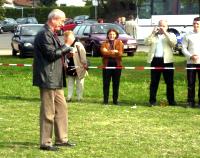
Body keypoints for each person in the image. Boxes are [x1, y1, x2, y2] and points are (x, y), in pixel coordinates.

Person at [33, 9, 76, 151]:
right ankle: (45, 142)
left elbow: (57, 55)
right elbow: (51, 55)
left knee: (61, 109)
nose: (62, 24)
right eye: (61, 21)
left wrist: (67, 51)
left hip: (55, 78)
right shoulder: (44, 34)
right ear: (53, 19)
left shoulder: (52, 34)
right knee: (48, 111)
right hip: (48, 78)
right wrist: (67, 45)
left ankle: (61, 139)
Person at [144, 19, 177, 106]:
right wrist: (152, 33)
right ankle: (152, 101)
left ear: (167, 27)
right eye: (160, 26)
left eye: (163, 26)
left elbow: (174, 43)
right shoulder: (154, 36)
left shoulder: (171, 35)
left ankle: (171, 101)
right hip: (155, 61)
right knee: (154, 81)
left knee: (169, 82)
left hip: (167, 61)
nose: (161, 28)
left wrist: (165, 33)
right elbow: (146, 42)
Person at [100, 29, 124, 105]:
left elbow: (120, 54)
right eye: (110, 34)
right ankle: (105, 100)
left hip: (117, 65)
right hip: (107, 65)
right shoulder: (104, 43)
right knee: (106, 83)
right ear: (108, 35)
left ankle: (115, 100)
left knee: (116, 83)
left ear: (116, 35)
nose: (112, 36)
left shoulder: (120, 43)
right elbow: (103, 53)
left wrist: (108, 51)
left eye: (113, 34)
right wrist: (114, 52)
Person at [64, 31, 88, 102]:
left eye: (66, 37)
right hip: (69, 66)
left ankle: (79, 97)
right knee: (70, 83)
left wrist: (84, 64)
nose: (64, 39)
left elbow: (83, 55)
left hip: (79, 67)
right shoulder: (66, 45)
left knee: (79, 83)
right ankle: (69, 97)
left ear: (70, 37)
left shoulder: (78, 44)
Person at [182, 17, 200, 108]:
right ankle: (190, 101)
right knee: (191, 82)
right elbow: (183, 48)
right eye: (194, 23)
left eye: (197, 24)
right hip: (191, 62)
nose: (196, 25)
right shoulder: (187, 35)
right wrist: (191, 56)